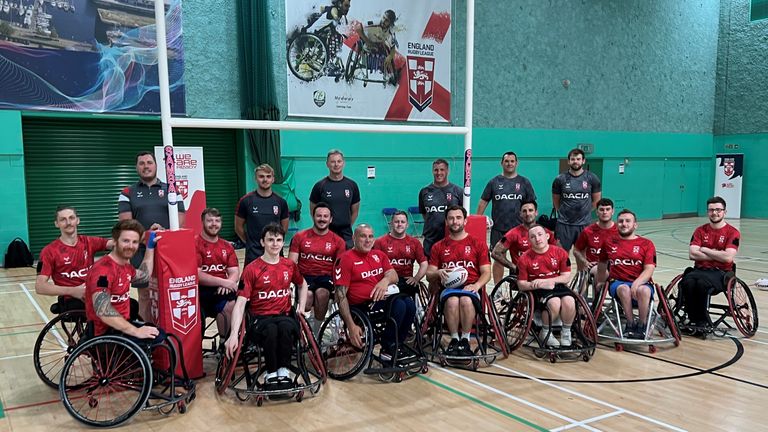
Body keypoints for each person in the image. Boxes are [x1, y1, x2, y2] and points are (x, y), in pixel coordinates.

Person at [225, 224, 308, 391]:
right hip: (260, 318)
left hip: (284, 315)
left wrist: (301, 307)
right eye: (270, 240)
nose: (275, 244)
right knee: (271, 330)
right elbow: (240, 303)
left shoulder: (289, 266)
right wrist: (234, 335)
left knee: (285, 328)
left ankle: (283, 371)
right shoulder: (252, 269)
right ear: (262, 242)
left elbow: (303, 284)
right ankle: (271, 372)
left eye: (278, 240)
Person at [118, 151, 185, 319]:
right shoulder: (127, 192)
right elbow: (126, 225)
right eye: (141, 163)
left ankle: (167, 334)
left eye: (149, 162)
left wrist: (164, 232)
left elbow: (181, 217)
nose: (146, 166)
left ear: (156, 166)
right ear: (136, 168)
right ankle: (145, 338)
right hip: (141, 252)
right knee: (145, 296)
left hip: (168, 250)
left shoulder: (171, 189)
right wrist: (148, 235)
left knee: (169, 293)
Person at [334, 224, 416, 361]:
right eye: (363, 236)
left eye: (371, 236)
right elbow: (340, 296)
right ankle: (387, 347)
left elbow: (393, 275)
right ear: (354, 238)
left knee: (409, 304)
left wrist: (385, 281)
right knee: (399, 306)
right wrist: (350, 325)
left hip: (381, 301)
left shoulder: (379, 255)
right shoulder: (345, 259)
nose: (368, 240)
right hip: (362, 307)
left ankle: (397, 344)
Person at [426, 206, 491, 357]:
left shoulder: (478, 244)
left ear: (465, 221)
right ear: (446, 222)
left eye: (458, 218)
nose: (455, 221)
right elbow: (429, 274)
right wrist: (438, 272)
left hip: (471, 286)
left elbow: (486, 272)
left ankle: (465, 340)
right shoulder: (439, 246)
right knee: (452, 302)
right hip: (448, 288)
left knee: (466, 301)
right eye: (451, 218)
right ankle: (455, 339)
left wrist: (476, 285)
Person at [86, 219, 159, 341]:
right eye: (126, 241)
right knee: (157, 339)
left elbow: (145, 276)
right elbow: (102, 310)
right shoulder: (103, 271)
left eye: (135, 242)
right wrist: (136, 331)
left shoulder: (125, 267)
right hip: (106, 334)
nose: (130, 246)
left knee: (159, 334)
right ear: (114, 242)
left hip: (122, 327)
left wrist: (150, 247)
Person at [36, 206, 114, 312]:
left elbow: (114, 244)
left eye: (71, 218)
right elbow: (40, 287)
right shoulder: (49, 251)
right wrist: (73, 291)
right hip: (72, 299)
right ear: (56, 224)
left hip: (95, 292)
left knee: (131, 305)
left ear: (77, 220)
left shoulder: (88, 241)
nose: (68, 222)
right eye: (63, 219)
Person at [679, 196, 740, 332]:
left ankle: (702, 321)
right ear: (707, 212)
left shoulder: (733, 232)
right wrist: (718, 253)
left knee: (701, 283)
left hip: (721, 273)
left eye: (718, 210)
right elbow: (692, 254)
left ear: (725, 212)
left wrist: (705, 249)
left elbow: (728, 258)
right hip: (699, 269)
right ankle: (692, 319)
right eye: (711, 210)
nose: (715, 213)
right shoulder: (700, 231)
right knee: (687, 282)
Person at [477, 152, 536, 284]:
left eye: (512, 161)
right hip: (499, 229)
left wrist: (533, 226)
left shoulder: (524, 182)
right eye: (507, 161)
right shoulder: (494, 182)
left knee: (520, 259)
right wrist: (478, 219)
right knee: (499, 259)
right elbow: (483, 201)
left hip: (520, 230)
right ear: (502, 163)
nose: (509, 164)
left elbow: (531, 206)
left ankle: (520, 286)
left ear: (516, 163)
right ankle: (498, 289)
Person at [596, 209, 657, 339]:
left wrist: (636, 283)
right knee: (624, 289)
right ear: (617, 224)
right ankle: (630, 323)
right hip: (618, 282)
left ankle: (642, 325)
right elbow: (601, 264)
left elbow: (649, 269)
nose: (624, 224)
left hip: (642, 282)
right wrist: (600, 281)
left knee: (644, 291)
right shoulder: (608, 242)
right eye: (621, 221)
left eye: (628, 221)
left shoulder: (646, 244)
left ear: (635, 225)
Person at [288, 203, 346, 333]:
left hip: (325, 277)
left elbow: (339, 268)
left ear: (330, 219)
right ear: (313, 217)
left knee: (322, 293)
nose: (322, 219)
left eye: (326, 216)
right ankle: (305, 327)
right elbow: (291, 263)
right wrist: (291, 283)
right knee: (307, 296)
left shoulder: (338, 241)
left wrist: (339, 288)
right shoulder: (300, 237)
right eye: (319, 215)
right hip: (304, 277)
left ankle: (316, 329)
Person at [516, 225, 574, 347]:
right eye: (533, 237)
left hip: (556, 285)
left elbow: (566, 276)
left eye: (540, 235)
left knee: (570, 301)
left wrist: (549, 281)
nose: (537, 238)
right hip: (537, 290)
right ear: (529, 240)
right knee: (554, 302)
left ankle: (566, 332)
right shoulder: (524, 258)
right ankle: (546, 331)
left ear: (547, 236)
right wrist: (536, 284)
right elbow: (521, 284)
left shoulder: (560, 252)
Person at [196, 208, 240, 336]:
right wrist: (224, 282)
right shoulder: (195, 243)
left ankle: (225, 342)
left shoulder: (227, 246)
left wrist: (229, 282)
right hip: (200, 290)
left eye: (217, 221)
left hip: (221, 289)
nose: (214, 224)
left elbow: (234, 272)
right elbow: (197, 275)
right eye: (209, 220)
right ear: (202, 222)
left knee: (232, 301)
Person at [235, 164, 290, 266]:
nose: (265, 179)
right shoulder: (245, 201)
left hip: (275, 253)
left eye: (268, 176)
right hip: (253, 254)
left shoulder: (281, 202)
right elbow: (238, 227)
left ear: (273, 179)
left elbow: (284, 228)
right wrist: (250, 242)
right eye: (261, 176)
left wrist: (274, 243)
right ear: (256, 179)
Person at [551, 148, 601, 252]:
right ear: (568, 161)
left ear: (583, 161)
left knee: (582, 256)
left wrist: (585, 212)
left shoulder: (592, 178)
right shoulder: (560, 179)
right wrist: (563, 213)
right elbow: (556, 201)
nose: (575, 162)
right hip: (564, 225)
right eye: (573, 159)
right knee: (562, 256)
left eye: (578, 159)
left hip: (584, 224)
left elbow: (596, 201)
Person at [309, 150, 361, 249]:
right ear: (327, 164)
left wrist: (346, 224)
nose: (336, 164)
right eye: (333, 162)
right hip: (326, 231)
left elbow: (355, 211)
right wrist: (322, 226)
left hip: (346, 234)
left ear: (343, 163)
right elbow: (313, 210)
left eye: (339, 161)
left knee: (346, 261)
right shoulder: (320, 186)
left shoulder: (352, 185)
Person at [491, 200, 555, 275]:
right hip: (521, 275)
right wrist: (513, 267)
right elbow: (495, 253)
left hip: (542, 274)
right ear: (520, 214)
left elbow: (558, 252)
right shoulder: (512, 234)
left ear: (536, 212)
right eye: (524, 211)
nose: (527, 214)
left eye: (530, 210)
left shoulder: (546, 232)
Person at [372, 210, 428, 297]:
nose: (399, 224)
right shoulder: (380, 242)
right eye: (396, 222)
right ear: (391, 223)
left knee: (409, 306)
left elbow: (424, 264)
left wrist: (416, 278)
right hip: (387, 282)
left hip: (407, 282)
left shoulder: (414, 242)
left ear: (407, 225)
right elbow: (373, 266)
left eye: (402, 222)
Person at [418, 159, 463, 258]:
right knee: (430, 271)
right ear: (432, 171)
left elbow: (463, 215)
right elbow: (425, 213)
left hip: (451, 238)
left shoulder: (457, 191)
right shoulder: (424, 192)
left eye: (442, 170)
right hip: (431, 239)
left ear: (447, 171)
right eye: (436, 170)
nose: (439, 173)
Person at [354, 9, 402, 84]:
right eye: (383, 18)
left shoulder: (392, 30)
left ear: (390, 23)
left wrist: (390, 56)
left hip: (378, 44)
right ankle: (354, 68)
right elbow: (357, 28)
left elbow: (393, 47)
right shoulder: (374, 22)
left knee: (387, 51)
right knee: (361, 44)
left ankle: (391, 74)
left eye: (386, 20)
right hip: (366, 41)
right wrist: (367, 41)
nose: (383, 21)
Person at [573, 198, 617, 274]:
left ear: (612, 212)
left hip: (616, 266)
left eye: (607, 209)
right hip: (595, 267)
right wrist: (585, 262)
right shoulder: (588, 231)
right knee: (601, 271)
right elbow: (576, 251)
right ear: (597, 212)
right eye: (601, 210)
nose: (605, 212)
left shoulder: (619, 231)